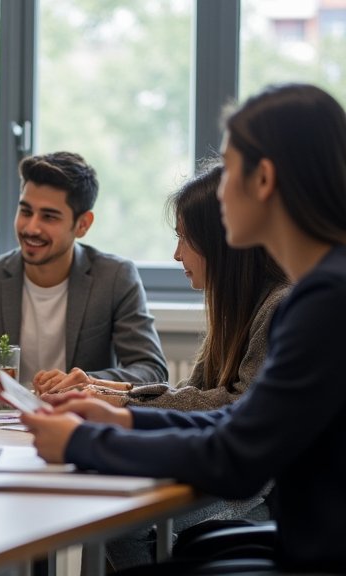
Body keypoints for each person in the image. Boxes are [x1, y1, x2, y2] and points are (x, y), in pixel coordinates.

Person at [22, 83, 346, 573]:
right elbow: (239, 422)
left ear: (264, 180)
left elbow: (238, 456)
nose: (219, 191)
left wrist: (80, 442)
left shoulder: (326, 300)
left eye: (229, 171)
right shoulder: (322, 288)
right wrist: (125, 418)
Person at [35, 164, 289, 569]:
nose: (176, 254)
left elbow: (231, 406)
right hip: (234, 480)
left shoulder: (278, 306)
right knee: (109, 510)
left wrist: (117, 406)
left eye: (184, 240)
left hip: (261, 495)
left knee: (120, 521)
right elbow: (195, 393)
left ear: (219, 243)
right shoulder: (233, 310)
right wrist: (105, 391)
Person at [0, 151, 167, 388]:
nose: (31, 227)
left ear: (83, 225)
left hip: (79, 420)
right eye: (25, 212)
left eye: (49, 217)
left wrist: (89, 382)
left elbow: (151, 370)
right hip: (2, 419)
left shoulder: (115, 278)